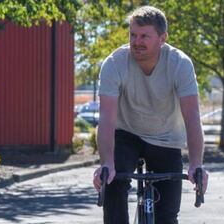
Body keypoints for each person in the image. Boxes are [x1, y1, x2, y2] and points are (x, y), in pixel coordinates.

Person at [92, 6, 209, 224]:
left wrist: (196, 164)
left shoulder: (179, 64)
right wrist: (106, 163)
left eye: (144, 36)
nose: (137, 41)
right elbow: (106, 118)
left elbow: (192, 116)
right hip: (126, 133)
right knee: (113, 184)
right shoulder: (114, 63)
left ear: (162, 38)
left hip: (166, 138)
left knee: (167, 215)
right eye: (133, 35)